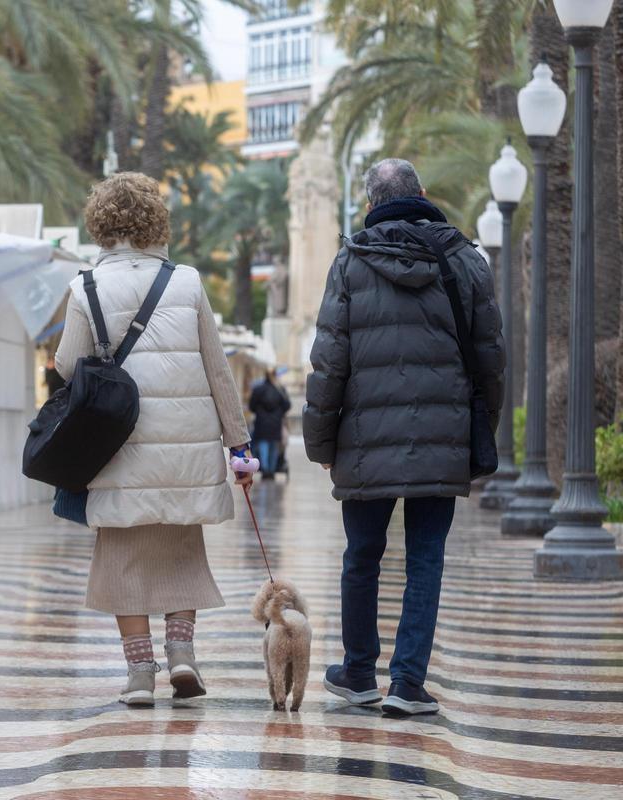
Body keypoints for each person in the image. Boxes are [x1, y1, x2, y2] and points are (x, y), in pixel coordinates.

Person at [303, 159, 505, 716]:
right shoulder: (466, 260)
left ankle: (359, 672)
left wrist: (321, 445)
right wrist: (479, 430)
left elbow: (328, 364)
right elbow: (491, 359)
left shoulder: (350, 261)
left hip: (364, 441)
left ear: (370, 206)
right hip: (443, 436)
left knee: (362, 555)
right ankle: (408, 683)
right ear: (423, 194)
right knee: (426, 558)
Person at [55, 172, 253, 706]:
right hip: (185, 449)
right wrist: (239, 445)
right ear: (155, 221)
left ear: (100, 224)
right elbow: (217, 370)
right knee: (181, 551)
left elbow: (68, 364)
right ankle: (183, 656)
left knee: (121, 556)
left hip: (118, 443)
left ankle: (140, 673)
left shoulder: (85, 287)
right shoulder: (186, 282)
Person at [248, 368, 290, 479]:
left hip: (261, 423)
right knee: (273, 447)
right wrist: (279, 412)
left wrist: (259, 411)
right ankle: (271, 470)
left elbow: (251, 406)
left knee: (263, 445)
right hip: (276, 423)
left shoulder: (258, 389)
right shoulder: (280, 390)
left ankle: (265, 469)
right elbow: (287, 405)